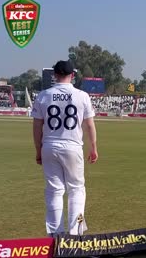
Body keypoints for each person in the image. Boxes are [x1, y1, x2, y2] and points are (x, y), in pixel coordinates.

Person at [31, 60, 98, 236]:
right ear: (73, 76)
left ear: (54, 76)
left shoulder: (43, 95)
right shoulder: (82, 95)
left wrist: (38, 150)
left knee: (54, 191)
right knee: (76, 190)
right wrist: (93, 148)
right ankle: (76, 233)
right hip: (73, 146)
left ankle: (55, 235)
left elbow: (37, 127)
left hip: (49, 145)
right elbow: (90, 125)